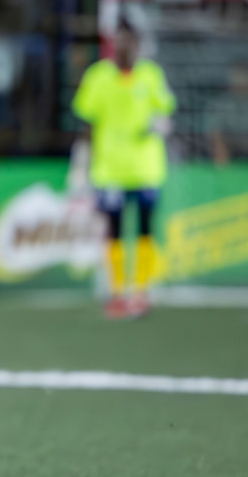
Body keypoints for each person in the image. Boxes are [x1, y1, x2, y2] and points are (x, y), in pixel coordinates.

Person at [71, 24, 175, 319]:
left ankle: (142, 291)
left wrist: (162, 124)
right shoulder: (98, 76)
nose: (123, 46)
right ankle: (117, 293)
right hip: (110, 170)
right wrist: (80, 162)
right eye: (118, 41)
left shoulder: (151, 75)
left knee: (145, 229)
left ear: (138, 44)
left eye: (129, 40)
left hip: (146, 168)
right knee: (114, 230)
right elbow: (87, 122)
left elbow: (165, 110)